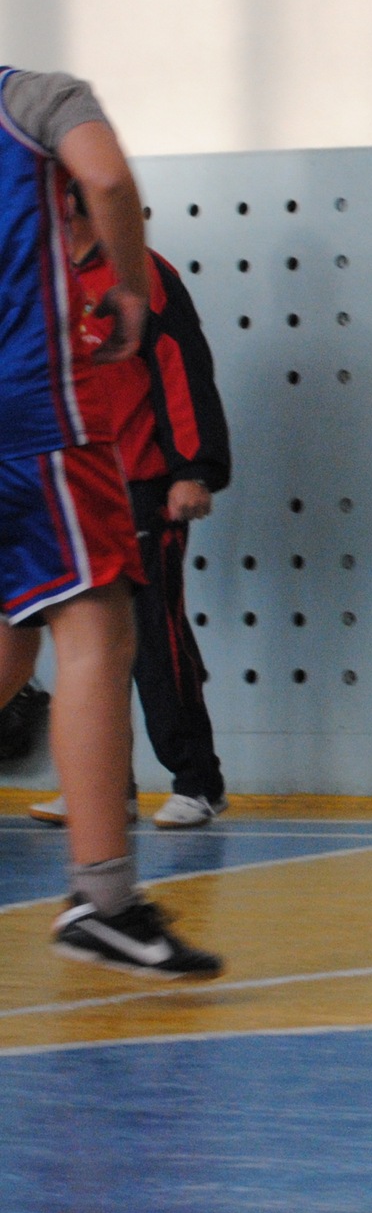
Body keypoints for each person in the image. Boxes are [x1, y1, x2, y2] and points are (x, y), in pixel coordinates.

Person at [0, 65, 219, 977]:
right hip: (34, 414)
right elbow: (111, 177)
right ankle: (104, 899)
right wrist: (128, 286)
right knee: (96, 629)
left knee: (13, 642)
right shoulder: (33, 101)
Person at [24, 197, 230, 829]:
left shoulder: (141, 274)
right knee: (84, 639)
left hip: (141, 484)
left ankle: (197, 782)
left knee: (152, 636)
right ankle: (106, 788)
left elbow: (181, 370)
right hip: (69, 488)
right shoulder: (39, 277)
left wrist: (192, 470)